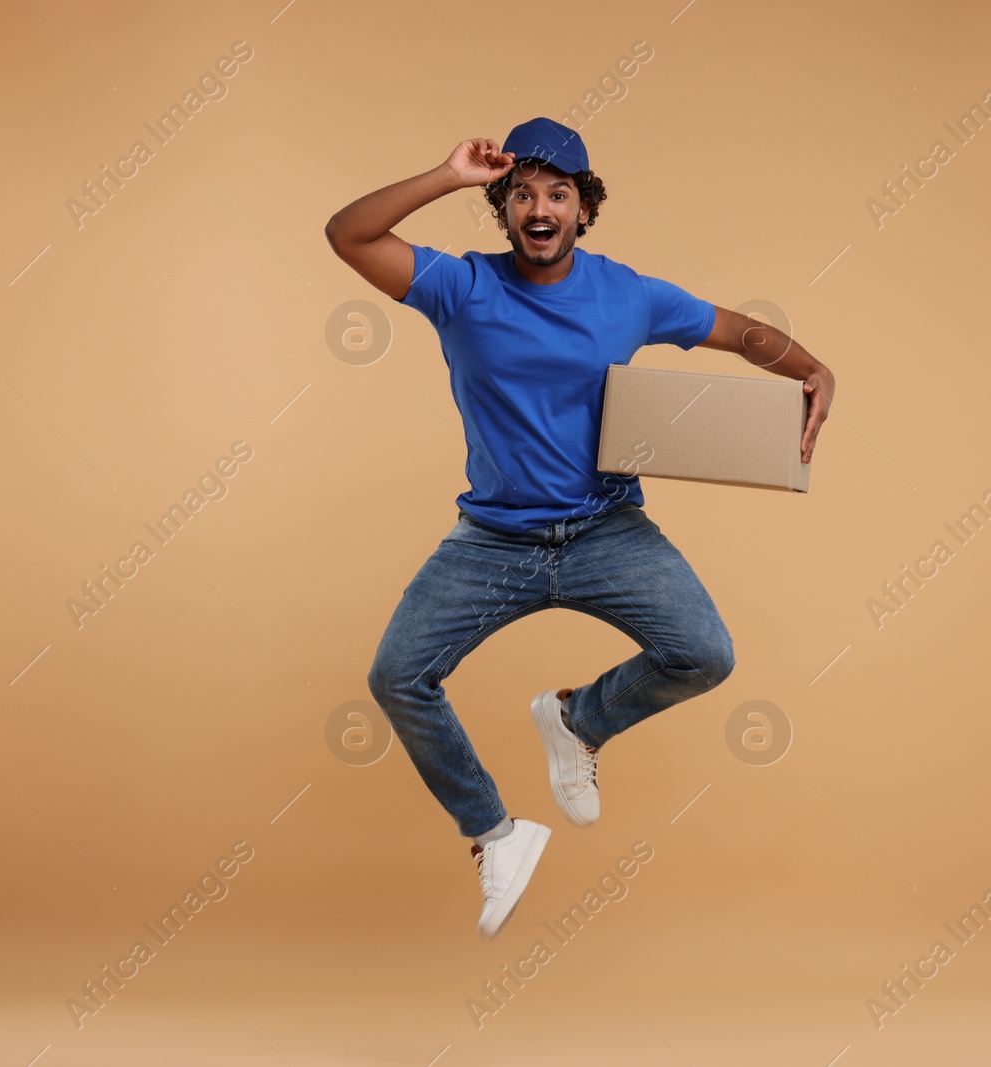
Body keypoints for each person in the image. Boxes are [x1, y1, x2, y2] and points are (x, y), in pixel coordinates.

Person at [325, 117, 833, 939]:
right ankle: (495, 834)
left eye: (557, 194)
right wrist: (446, 175)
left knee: (705, 654)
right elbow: (348, 233)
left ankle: (577, 719)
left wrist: (812, 368)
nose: (539, 207)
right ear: (504, 209)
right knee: (397, 676)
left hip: (605, 530)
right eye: (521, 193)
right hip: (494, 540)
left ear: (583, 211)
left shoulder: (626, 294)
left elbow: (739, 332)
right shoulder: (462, 288)